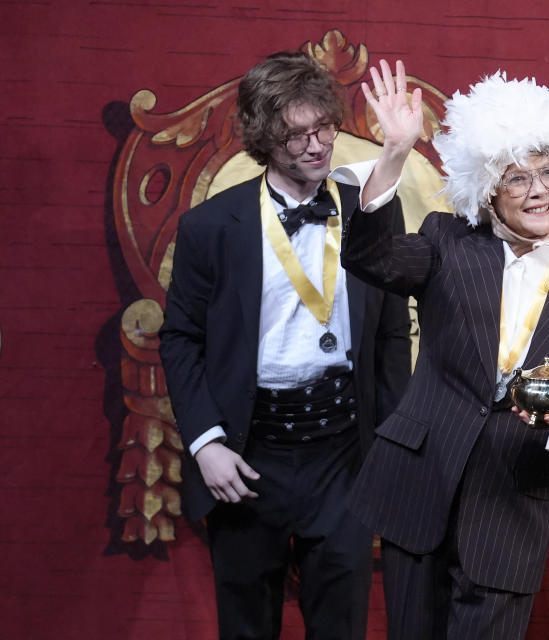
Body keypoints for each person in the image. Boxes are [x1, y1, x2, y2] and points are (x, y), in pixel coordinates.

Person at [338, 61, 549, 640]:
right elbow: (369, 259)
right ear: (488, 189)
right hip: (417, 489)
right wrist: (394, 151)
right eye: (517, 177)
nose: (538, 189)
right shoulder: (447, 240)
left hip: (508, 514)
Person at [158, 51, 411, 640]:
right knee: (247, 628)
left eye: (324, 126)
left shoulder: (366, 211)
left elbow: (392, 332)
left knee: (342, 625)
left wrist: (390, 445)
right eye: (298, 135)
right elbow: (180, 339)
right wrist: (205, 444)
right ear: (264, 139)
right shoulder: (211, 227)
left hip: (343, 454)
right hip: (248, 455)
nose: (318, 145)